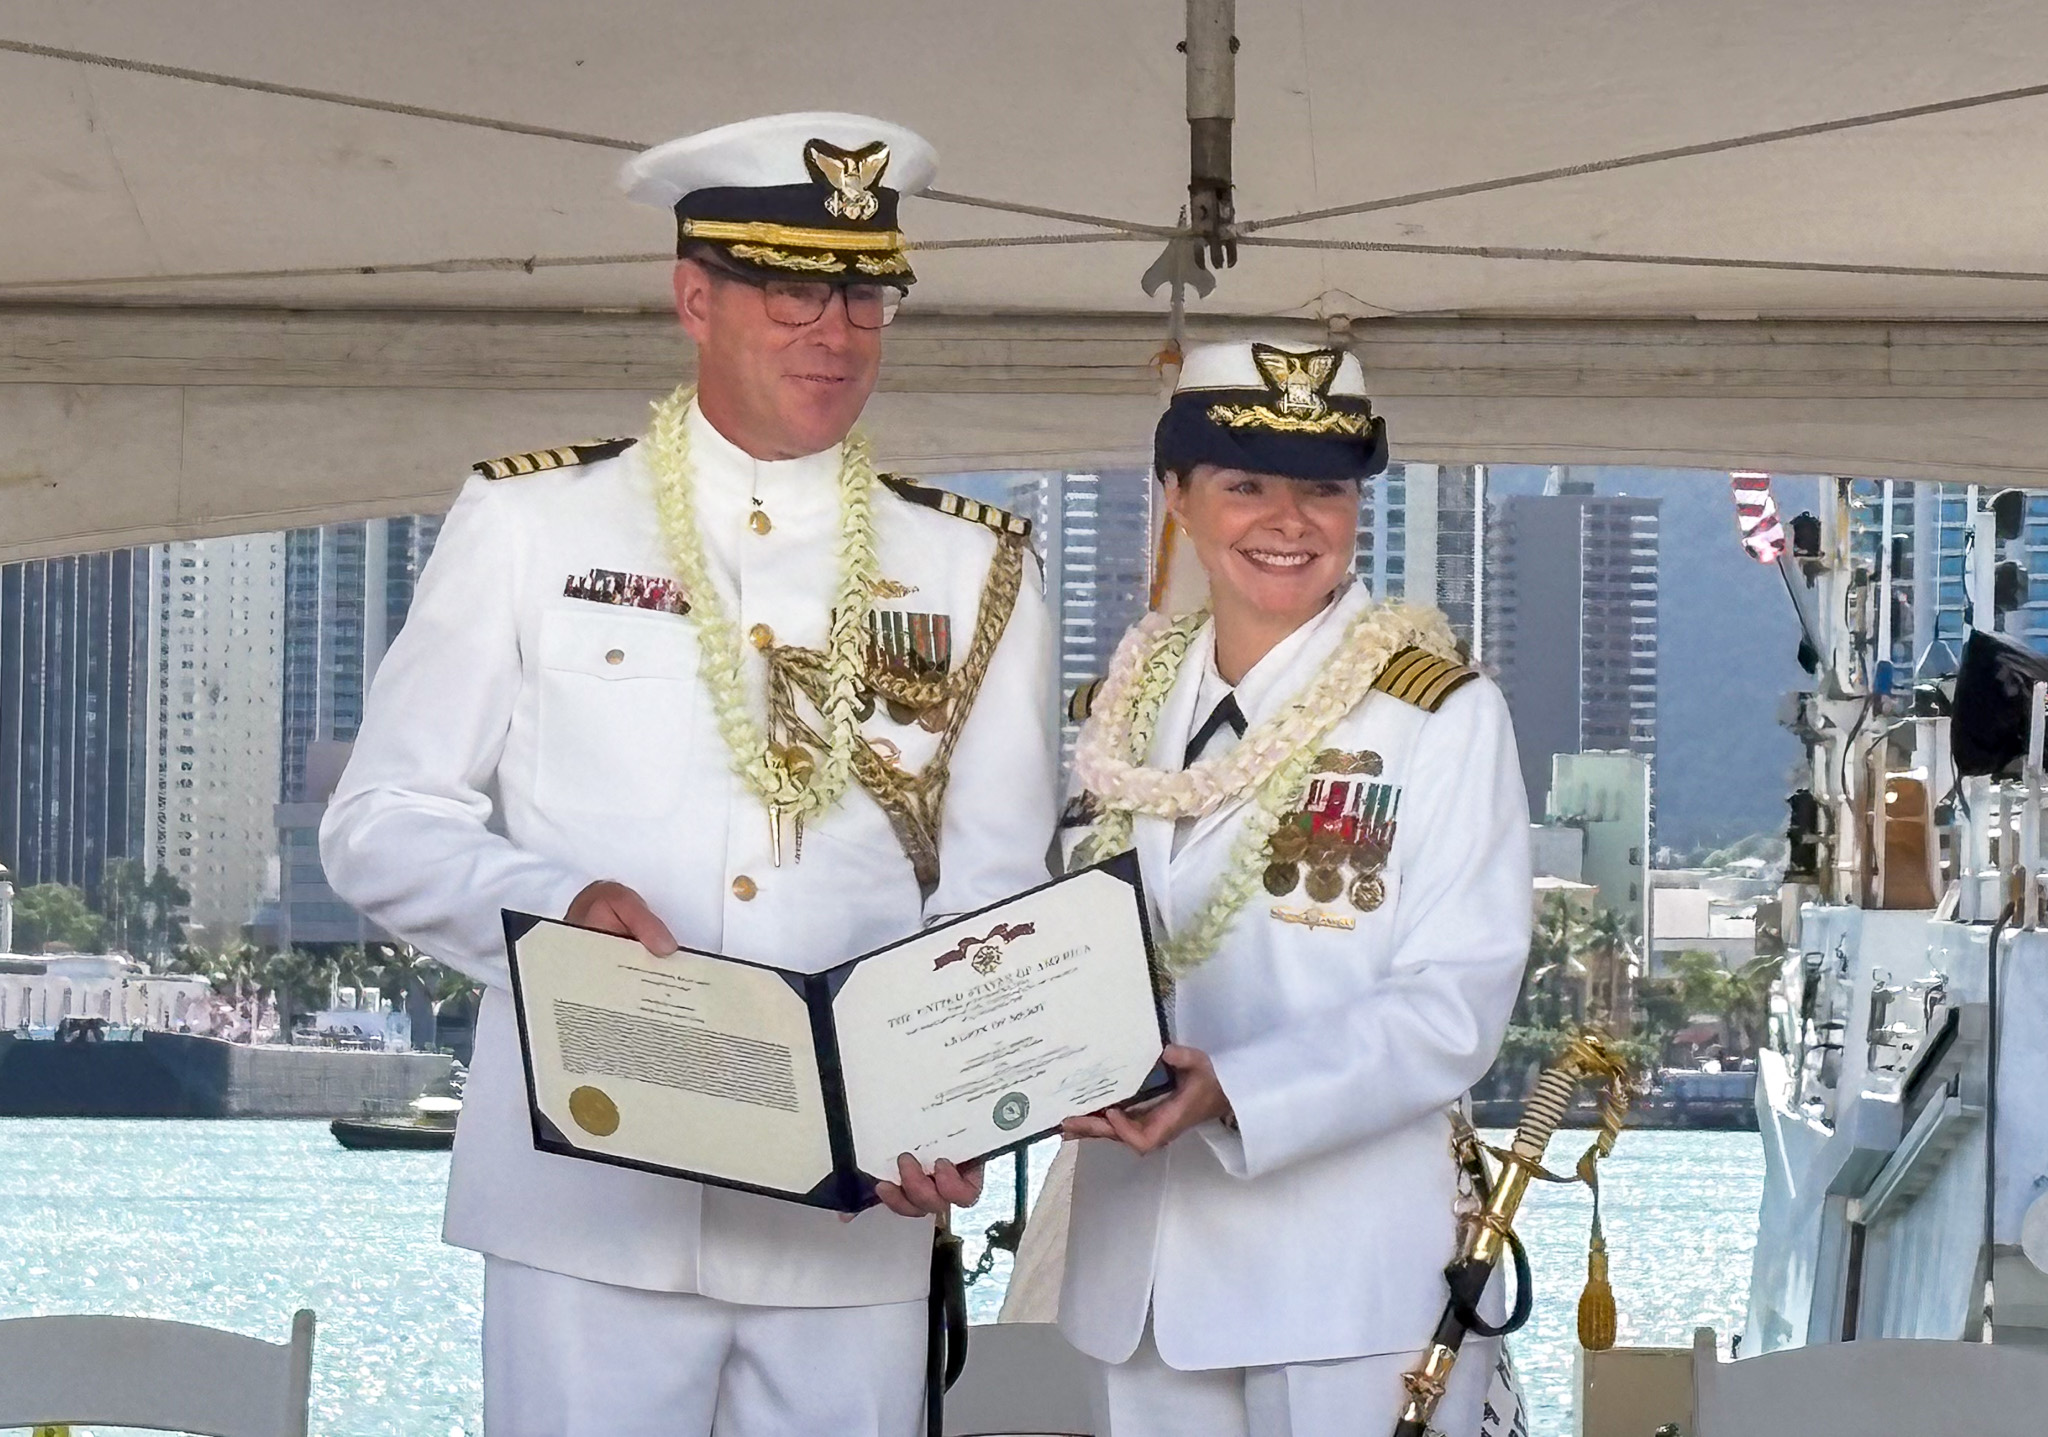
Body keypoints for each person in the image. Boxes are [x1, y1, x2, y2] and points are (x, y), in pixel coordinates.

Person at [321, 112, 1057, 1436]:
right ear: (693, 297)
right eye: (790, 291)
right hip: (584, 1201)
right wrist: (555, 910)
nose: (833, 333)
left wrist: (955, 1109)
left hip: (850, 1221)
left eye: (865, 296)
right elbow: (381, 820)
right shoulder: (532, 522)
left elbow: (994, 893)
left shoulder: (970, 565)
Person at [1053, 339, 1532, 1437]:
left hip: (1342, 1281)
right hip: (1138, 1277)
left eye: (1323, 489)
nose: (1288, 520)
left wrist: (1237, 1088)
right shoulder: (1115, 711)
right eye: (1245, 484)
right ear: (1176, 496)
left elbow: (1453, 1005)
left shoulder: (1437, 715)